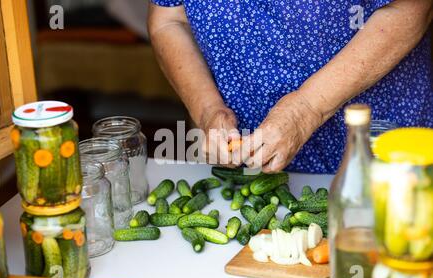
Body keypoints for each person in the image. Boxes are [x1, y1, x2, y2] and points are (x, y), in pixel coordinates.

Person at [148, 0, 433, 173]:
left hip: (376, 148)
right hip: (252, 171)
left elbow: (412, 8)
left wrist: (306, 108)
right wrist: (208, 110)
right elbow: (169, 20)